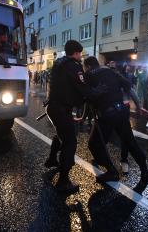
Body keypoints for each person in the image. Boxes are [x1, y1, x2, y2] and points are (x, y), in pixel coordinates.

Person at [83, 56, 148, 193]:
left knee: (93, 144)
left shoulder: (88, 76)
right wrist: (139, 107)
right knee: (130, 142)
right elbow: (130, 89)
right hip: (121, 111)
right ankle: (145, 171)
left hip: (107, 115)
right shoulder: (111, 72)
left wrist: (82, 116)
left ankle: (111, 171)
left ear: (88, 67)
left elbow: (87, 98)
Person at [44, 40, 105, 194]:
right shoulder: (73, 66)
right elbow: (83, 87)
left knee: (62, 134)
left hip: (54, 107)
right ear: (77, 53)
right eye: (80, 54)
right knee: (70, 142)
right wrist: (99, 92)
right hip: (61, 109)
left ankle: (52, 159)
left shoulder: (59, 63)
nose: (80, 57)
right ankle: (63, 181)